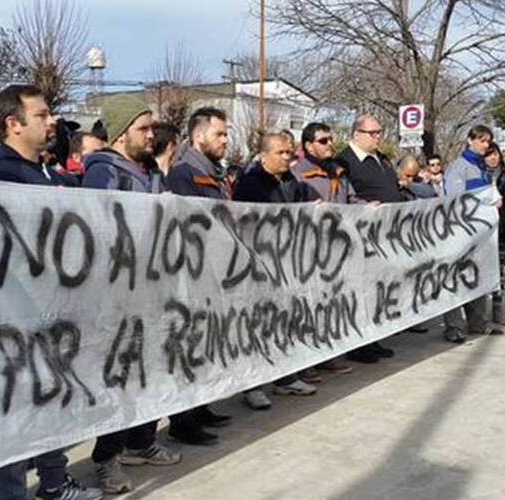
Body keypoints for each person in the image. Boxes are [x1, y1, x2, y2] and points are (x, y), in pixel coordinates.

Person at [0, 84, 103, 500]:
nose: (52, 122)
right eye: (43, 115)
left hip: (51, 312)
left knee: (53, 405)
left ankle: (53, 481)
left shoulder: (44, 172)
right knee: (16, 412)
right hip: (13, 317)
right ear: (13, 124)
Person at [82, 94, 181, 495]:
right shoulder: (103, 174)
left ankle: (141, 441)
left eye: (152, 127)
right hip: (118, 298)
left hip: (151, 292)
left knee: (151, 374)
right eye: (143, 128)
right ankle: (106, 459)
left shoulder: (148, 171)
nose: (151, 134)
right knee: (120, 380)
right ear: (122, 133)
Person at [233, 132, 319, 410]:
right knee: (257, 326)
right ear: (265, 154)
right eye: (281, 153)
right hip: (258, 265)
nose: (287, 158)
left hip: (287, 263)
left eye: (290, 153)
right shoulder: (250, 183)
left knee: (284, 322)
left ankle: (285, 378)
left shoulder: (291, 181)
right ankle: (253, 386)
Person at [163, 107, 233, 445]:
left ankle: (201, 406)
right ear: (199, 135)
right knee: (189, 347)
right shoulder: (184, 173)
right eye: (219, 134)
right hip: (192, 275)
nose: (225, 140)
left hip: (213, 272)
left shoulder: (214, 172)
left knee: (207, 344)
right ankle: (182, 420)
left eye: (225, 133)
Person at [336, 114, 396, 361]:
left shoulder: (382, 160)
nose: (378, 137)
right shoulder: (344, 162)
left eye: (379, 132)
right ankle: (356, 345)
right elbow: (344, 198)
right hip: (359, 237)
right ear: (357, 134)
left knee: (375, 290)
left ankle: (372, 338)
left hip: (385, 236)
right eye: (373, 133)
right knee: (358, 291)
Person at [442, 124, 504, 343]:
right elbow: (457, 200)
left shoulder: (484, 169)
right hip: (460, 232)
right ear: (470, 140)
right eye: (481, 140)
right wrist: (487, 200)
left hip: (480, 235)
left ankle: (478, 322)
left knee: (477, 276)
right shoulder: (459, 167)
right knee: (454, 280)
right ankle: (454, 327)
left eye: (488, 141)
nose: (485, 145)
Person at [485, 143, 505, 324]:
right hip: (482, 229)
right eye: (489, 155)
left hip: (502, 227)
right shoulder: (478, 174)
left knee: (500, 268)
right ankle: (479, 315)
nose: (492, 158)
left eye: (495, 154)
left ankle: (497, 310)